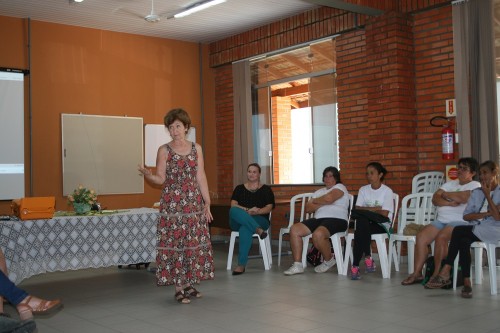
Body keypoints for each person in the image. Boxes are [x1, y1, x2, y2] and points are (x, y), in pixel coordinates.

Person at [138, 108, 214, 304]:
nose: (174, 131)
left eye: (178, 126)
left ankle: (189, 283)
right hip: (172, 205)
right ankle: (178, 288)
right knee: (176, 244)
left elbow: (201, 176)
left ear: (186, 127)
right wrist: (148, 175)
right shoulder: (164, 150)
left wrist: (207, 202)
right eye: (170, 127)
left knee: (191, 244)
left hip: (193, 204)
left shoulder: (197, 148)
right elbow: (160, 178)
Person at [425, 160, 500, 298]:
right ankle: (466, 283)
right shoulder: (477, 192)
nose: (483, 177)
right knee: (463, 241)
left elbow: (497, 217)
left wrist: (488, 196)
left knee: (458, 231)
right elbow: (466, 216)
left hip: (495, 229)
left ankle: (446, 269)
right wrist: (485, 213)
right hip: (478, 226)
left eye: (485, 173)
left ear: (495, 173)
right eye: (481, 174)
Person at [401, 157, 480, 286]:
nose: (459, 170)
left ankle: (437, 275)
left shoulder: (475, 185)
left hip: (461, 222)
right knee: (421, 237)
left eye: (464, 169)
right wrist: (451, 199)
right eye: (458, 167)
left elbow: (465, 197)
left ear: (473, 173)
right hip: (441, 220)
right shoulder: (449, 184)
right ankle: (417, 273)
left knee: (441, 237)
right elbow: (435, 199)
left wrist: (445, 194)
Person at [284, 166, 349, 275]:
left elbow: (329, 198)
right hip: (319, 219)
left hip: (337, 219)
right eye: (325, 176)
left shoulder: (340, 187)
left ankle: (329, 260)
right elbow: (309, 209)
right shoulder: (319, 191)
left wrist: (315, 201)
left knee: (318, 234)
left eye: (330, 176)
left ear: (336, 178)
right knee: (294, 229)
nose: (327, 179)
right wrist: (324, 201)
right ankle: (297, 265)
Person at [350, 162, 394, 280]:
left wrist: (366, 210)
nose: (369, 176)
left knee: (361, 226)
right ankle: (367, 258)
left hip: (381, 224)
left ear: (380, 175)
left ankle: (356, 265)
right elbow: (358, 208)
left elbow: (385, 213)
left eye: (372, 173)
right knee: (362, 223)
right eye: (367, 173)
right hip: (366, 223)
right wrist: (375, 209)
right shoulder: (363, 190)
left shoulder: (387, 191)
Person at [229, 163, 275, 275]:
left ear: (259, 174)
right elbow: (233, 204)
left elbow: (269, 208)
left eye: (254, 172)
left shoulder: (266, 189)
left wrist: (256, 211)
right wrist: (248, 210)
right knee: (233, 210)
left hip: (260, 219)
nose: (251, 174)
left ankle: (241, 265)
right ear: (247, 173)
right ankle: (258, 230)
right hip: (239, 219)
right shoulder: (239, 188)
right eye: (249, 171)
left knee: (245, 228)